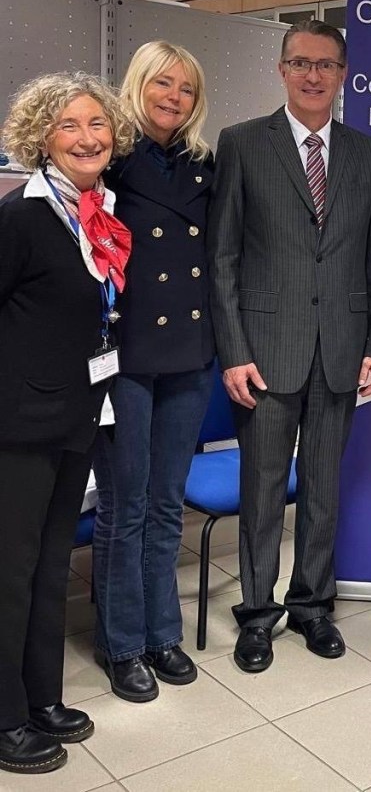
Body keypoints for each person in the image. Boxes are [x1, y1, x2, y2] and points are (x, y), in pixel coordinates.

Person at [208, 20, 371, 673]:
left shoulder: (367, 154)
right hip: (264, 351)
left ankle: (313, 605)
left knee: (323, 487)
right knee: (262, 490)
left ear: (343, 74)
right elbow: (223, 259)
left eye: (325, 65)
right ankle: (257, 615)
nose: (312, 75)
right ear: (282, 70)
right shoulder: (241, 143)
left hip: (342, 348)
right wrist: (233, 351)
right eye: (300, 63)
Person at [0, 72, 134, 773]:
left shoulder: (98, 213)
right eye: (69, 125)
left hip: (79, 413)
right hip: (20, 425)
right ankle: (4, 719)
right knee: (11, 573)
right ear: (41, 138)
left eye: (97, 123)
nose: (87, 138)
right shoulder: (20, 217)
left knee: (53, 567)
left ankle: (40, 697)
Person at [91, 42, 216, 702]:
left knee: (167, 504)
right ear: (137, 85)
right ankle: (122, 643)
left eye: (186, 89)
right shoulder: (106, 159)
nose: (174, 97)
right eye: (163, 83)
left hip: (189, 356)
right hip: (126, 357)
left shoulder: (203, 164)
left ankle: (163, 632)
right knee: (126, 506)